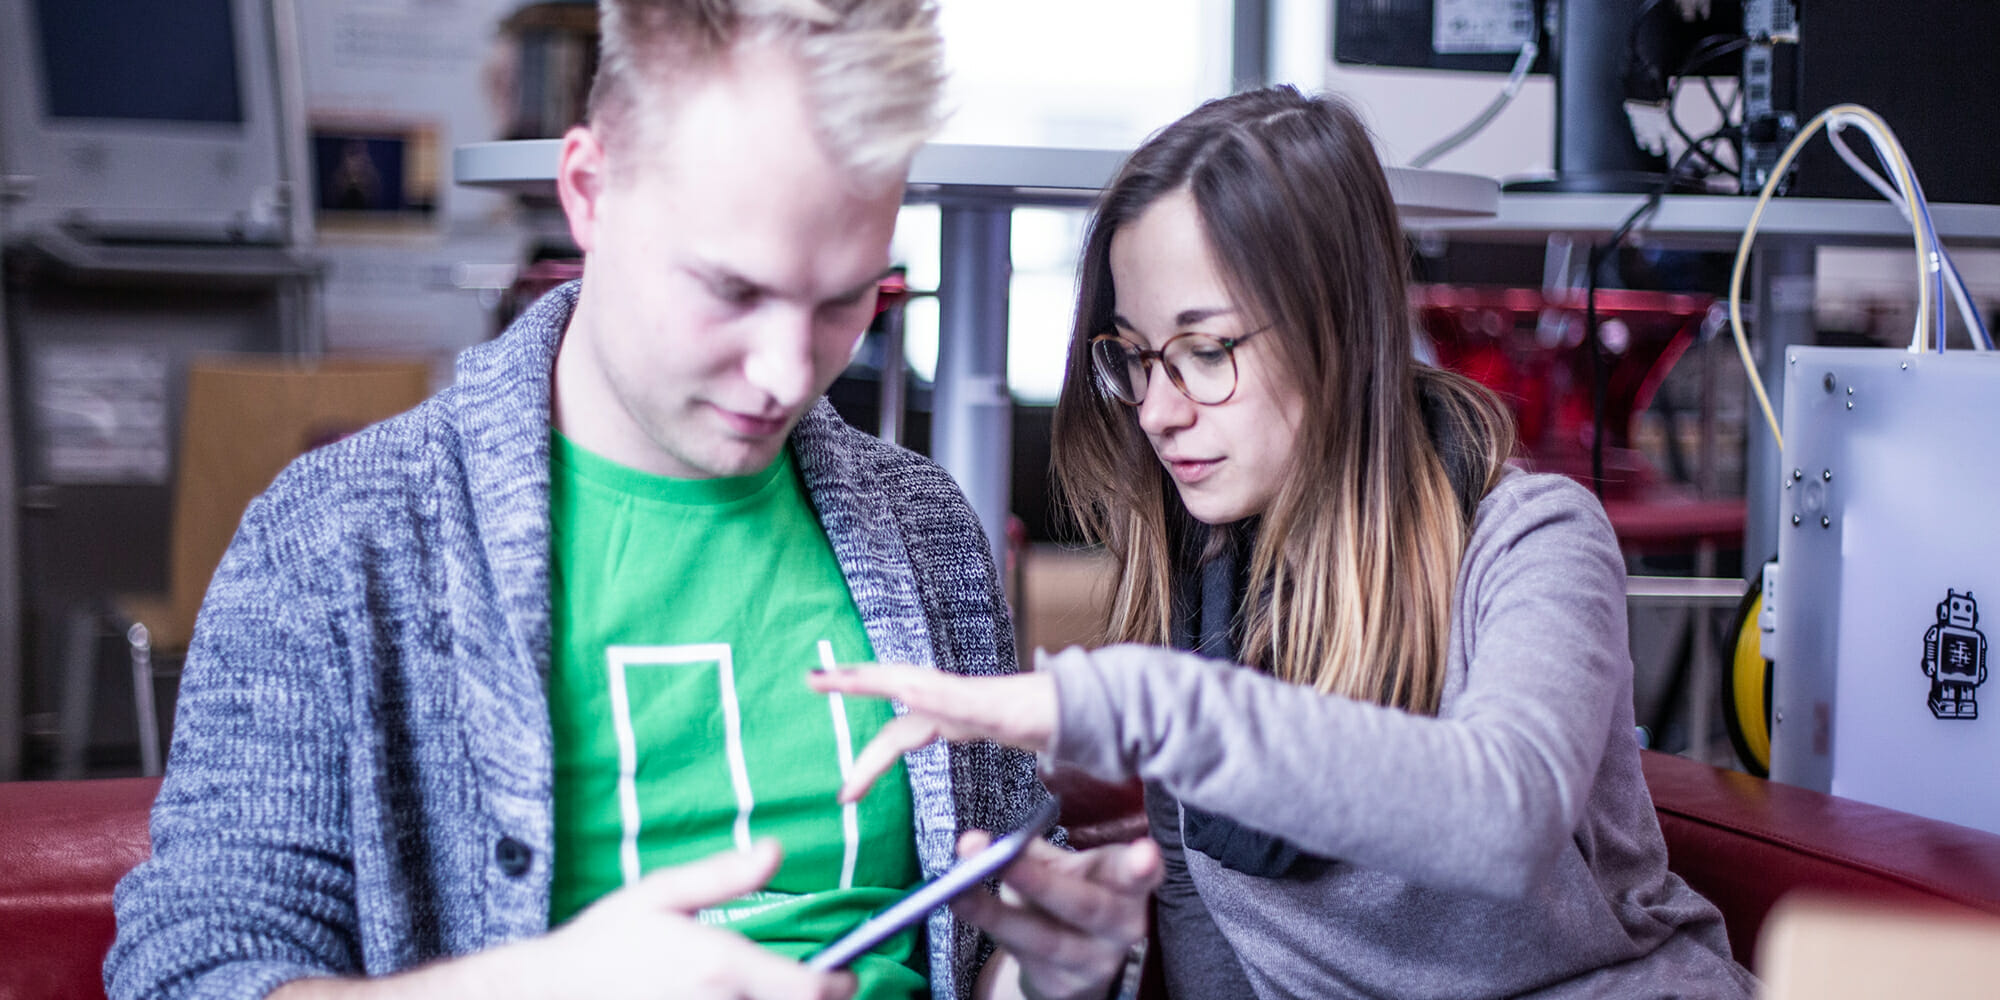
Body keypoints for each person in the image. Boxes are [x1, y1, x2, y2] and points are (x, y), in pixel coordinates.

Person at [105, 3, 1157, 999]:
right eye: (731, 291)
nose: (788, 372)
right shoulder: (343, 537)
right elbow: (187, 972)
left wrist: (1050, 970)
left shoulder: (921, 528)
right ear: (588, 192)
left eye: (847, 299)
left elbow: (983, 934)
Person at [811, 86, 1761, 998]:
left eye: (1207, 351)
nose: (1156, 410)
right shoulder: (1200, 570)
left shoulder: (1536, 541)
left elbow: (1506, 821)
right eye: (1135, 358)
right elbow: (1212, 935)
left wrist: (1140, 703)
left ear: (1337, 335)